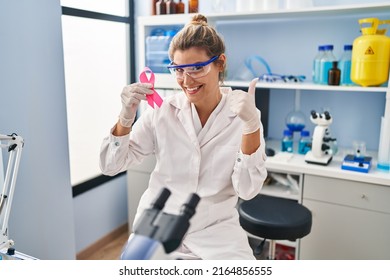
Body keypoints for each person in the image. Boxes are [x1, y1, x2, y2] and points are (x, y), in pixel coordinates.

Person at [100, 14, 267, 260]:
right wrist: (126, 117)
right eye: (178, 70)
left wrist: (251, 125)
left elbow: (247, 189)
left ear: (220, 63)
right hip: (157, 225)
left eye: (197, 68)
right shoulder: (162, 112)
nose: (186, 81)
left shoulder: (244, 114)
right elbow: (110, 165)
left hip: (216, 236)